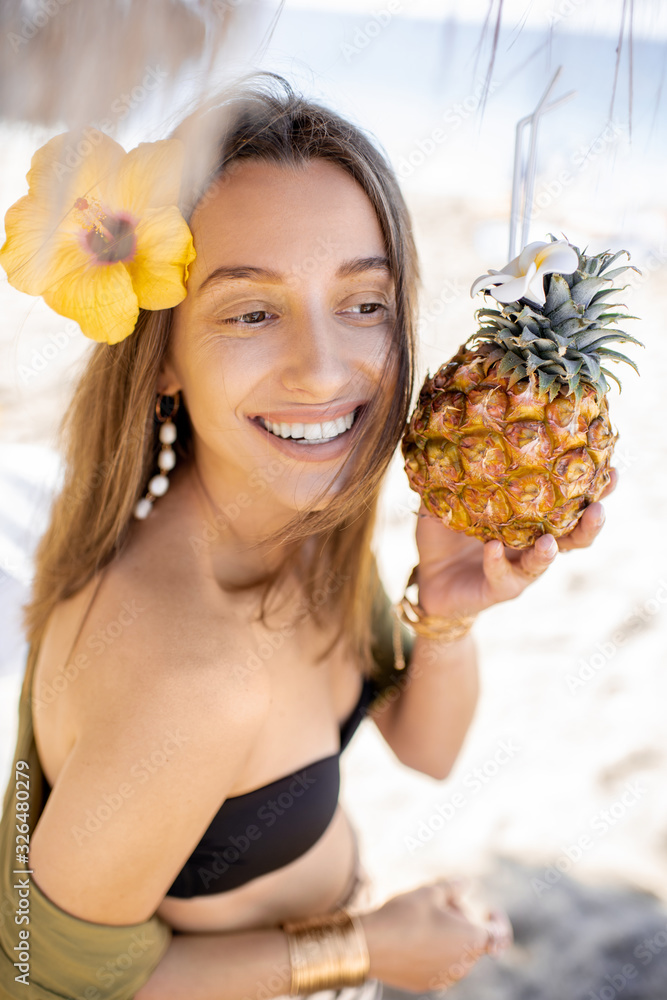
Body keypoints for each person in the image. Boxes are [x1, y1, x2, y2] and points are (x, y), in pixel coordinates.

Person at [0, 74, 615, 999]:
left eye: (363, 303)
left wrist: (444, 613)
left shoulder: (302, 529)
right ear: (161, 352)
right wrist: (358, 948)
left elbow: (429, 749)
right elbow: (36, 978)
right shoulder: (189, 679)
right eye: (252, 311)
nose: (323, 371)